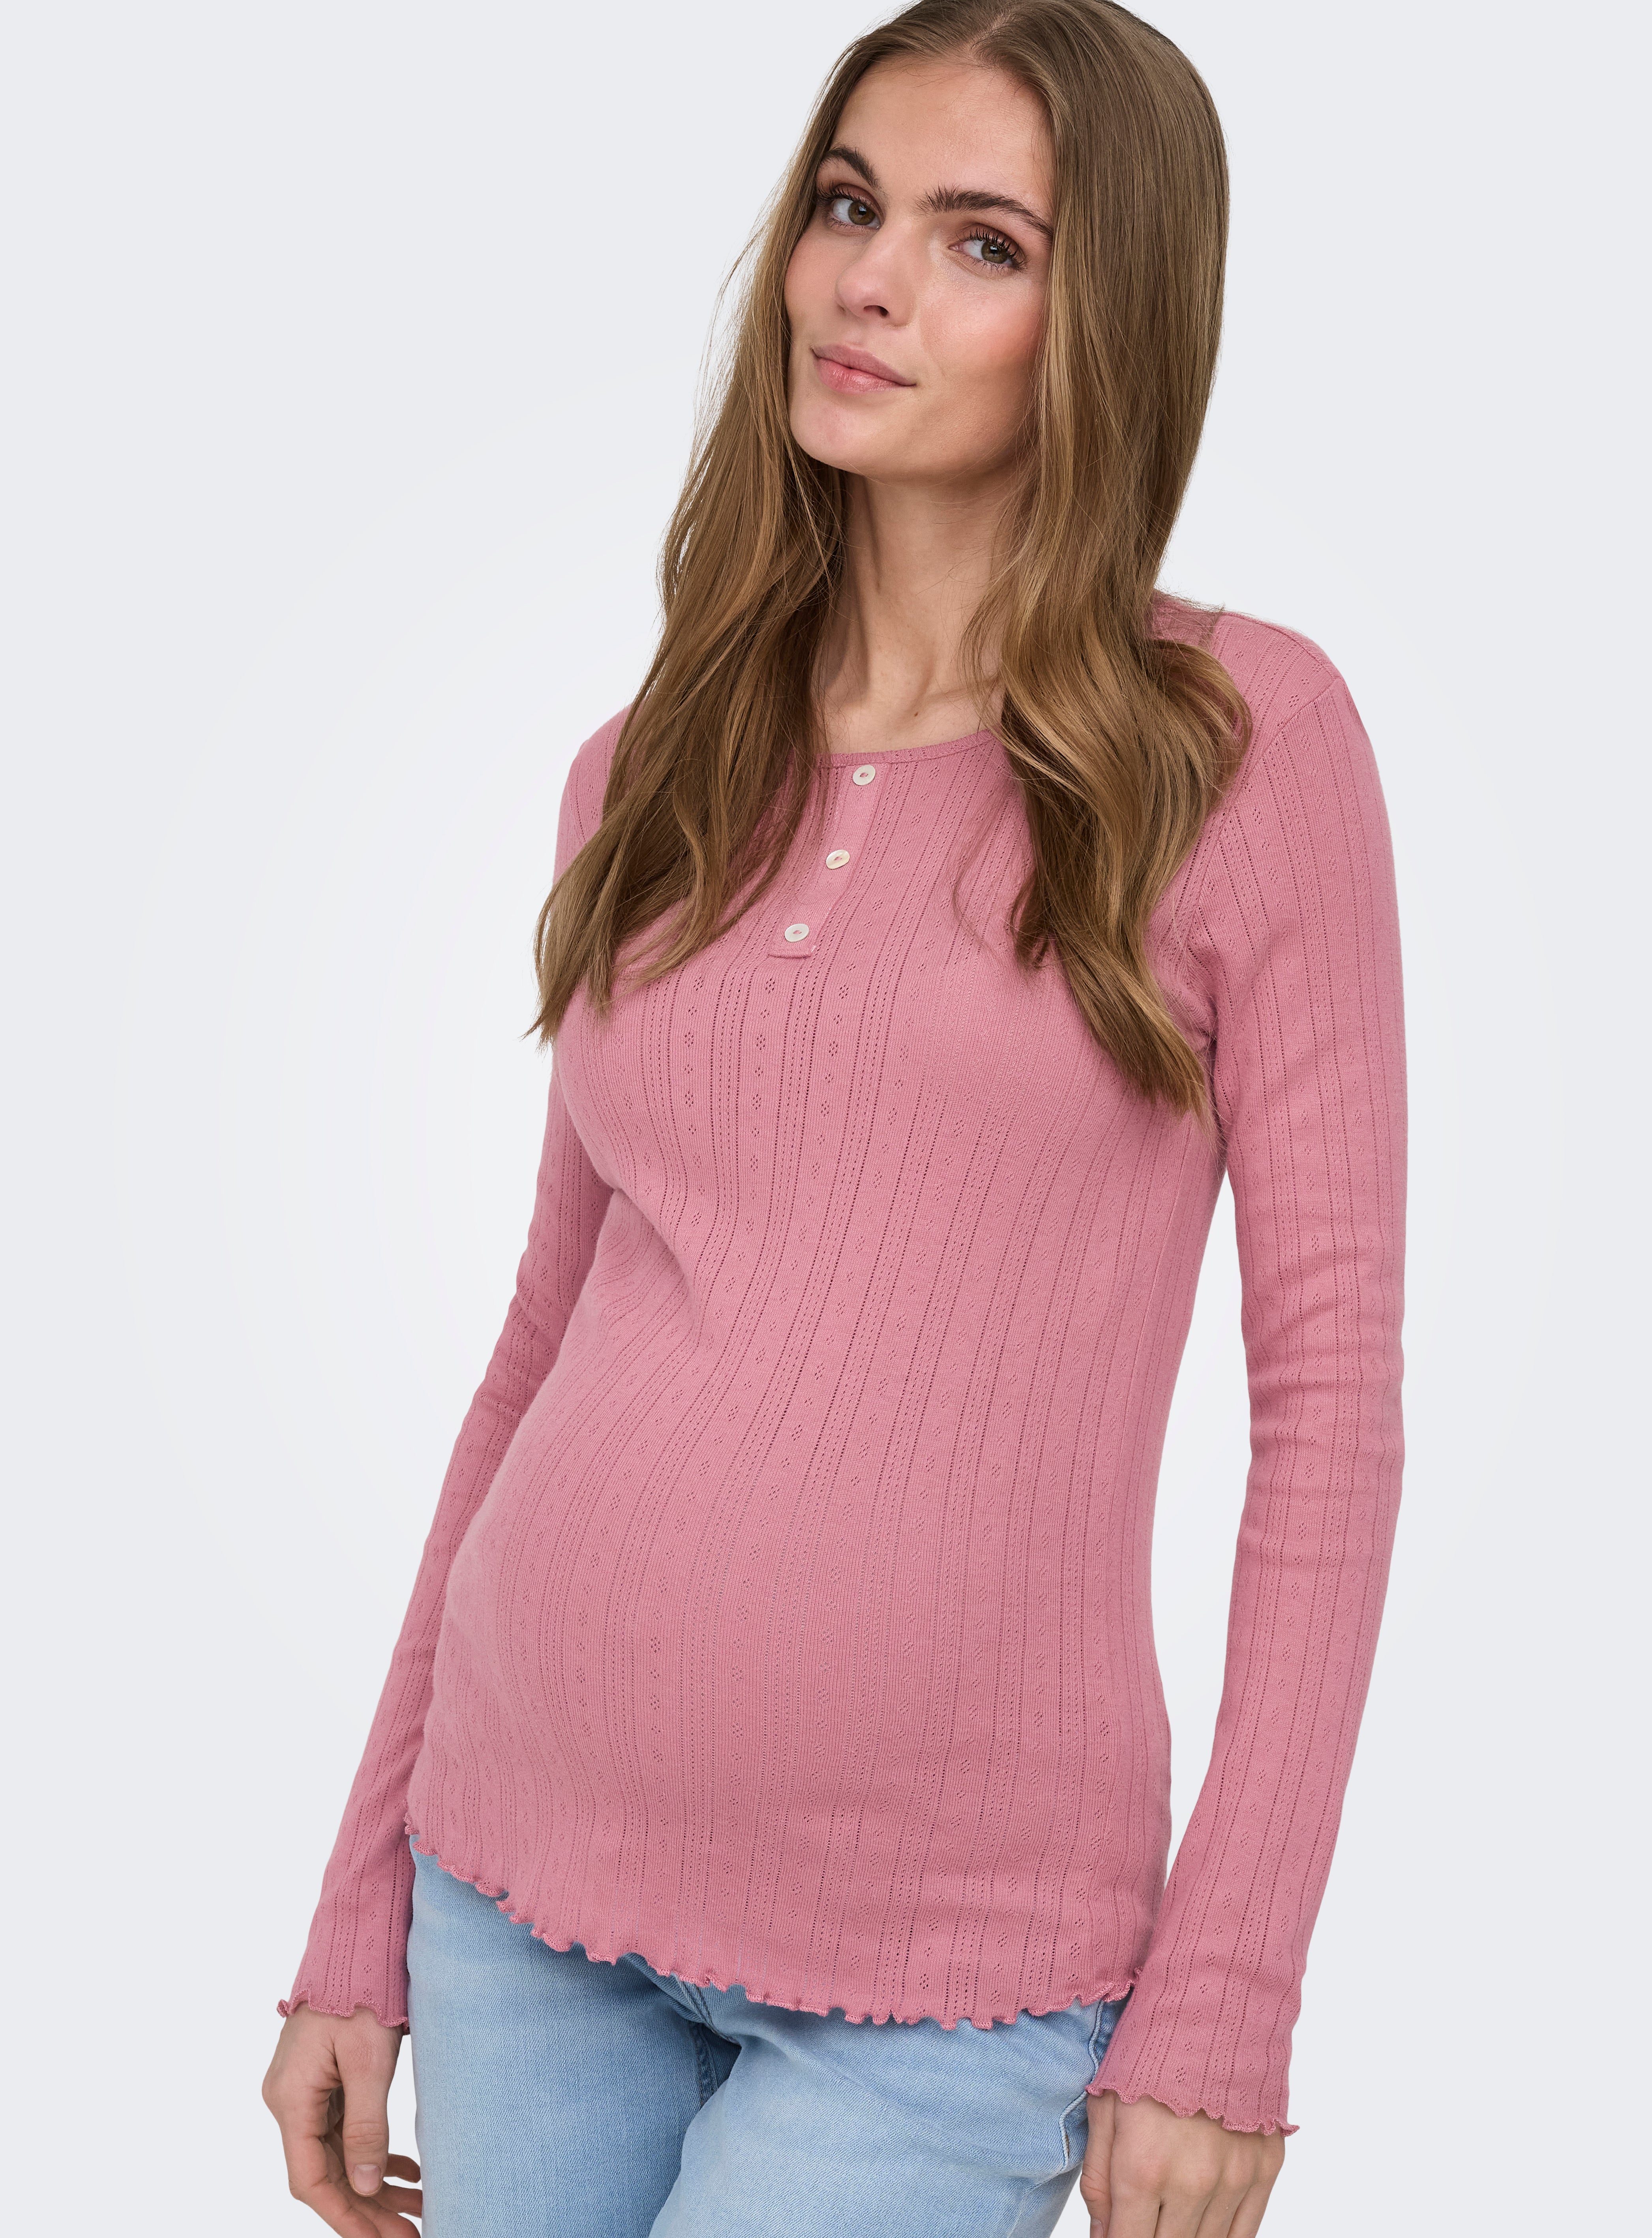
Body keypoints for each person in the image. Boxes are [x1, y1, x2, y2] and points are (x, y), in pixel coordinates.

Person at [261, 3, 1406, 2233]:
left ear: (1112, 318)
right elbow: (539, 1341)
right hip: (512, 1877)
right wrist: (357, 1901)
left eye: (983, 243)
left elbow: (1333, 1407)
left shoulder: (1237, 745)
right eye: (850, 204)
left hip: (951, 1984)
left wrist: (1227, 1998)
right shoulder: (653, 763)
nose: (869, 281)